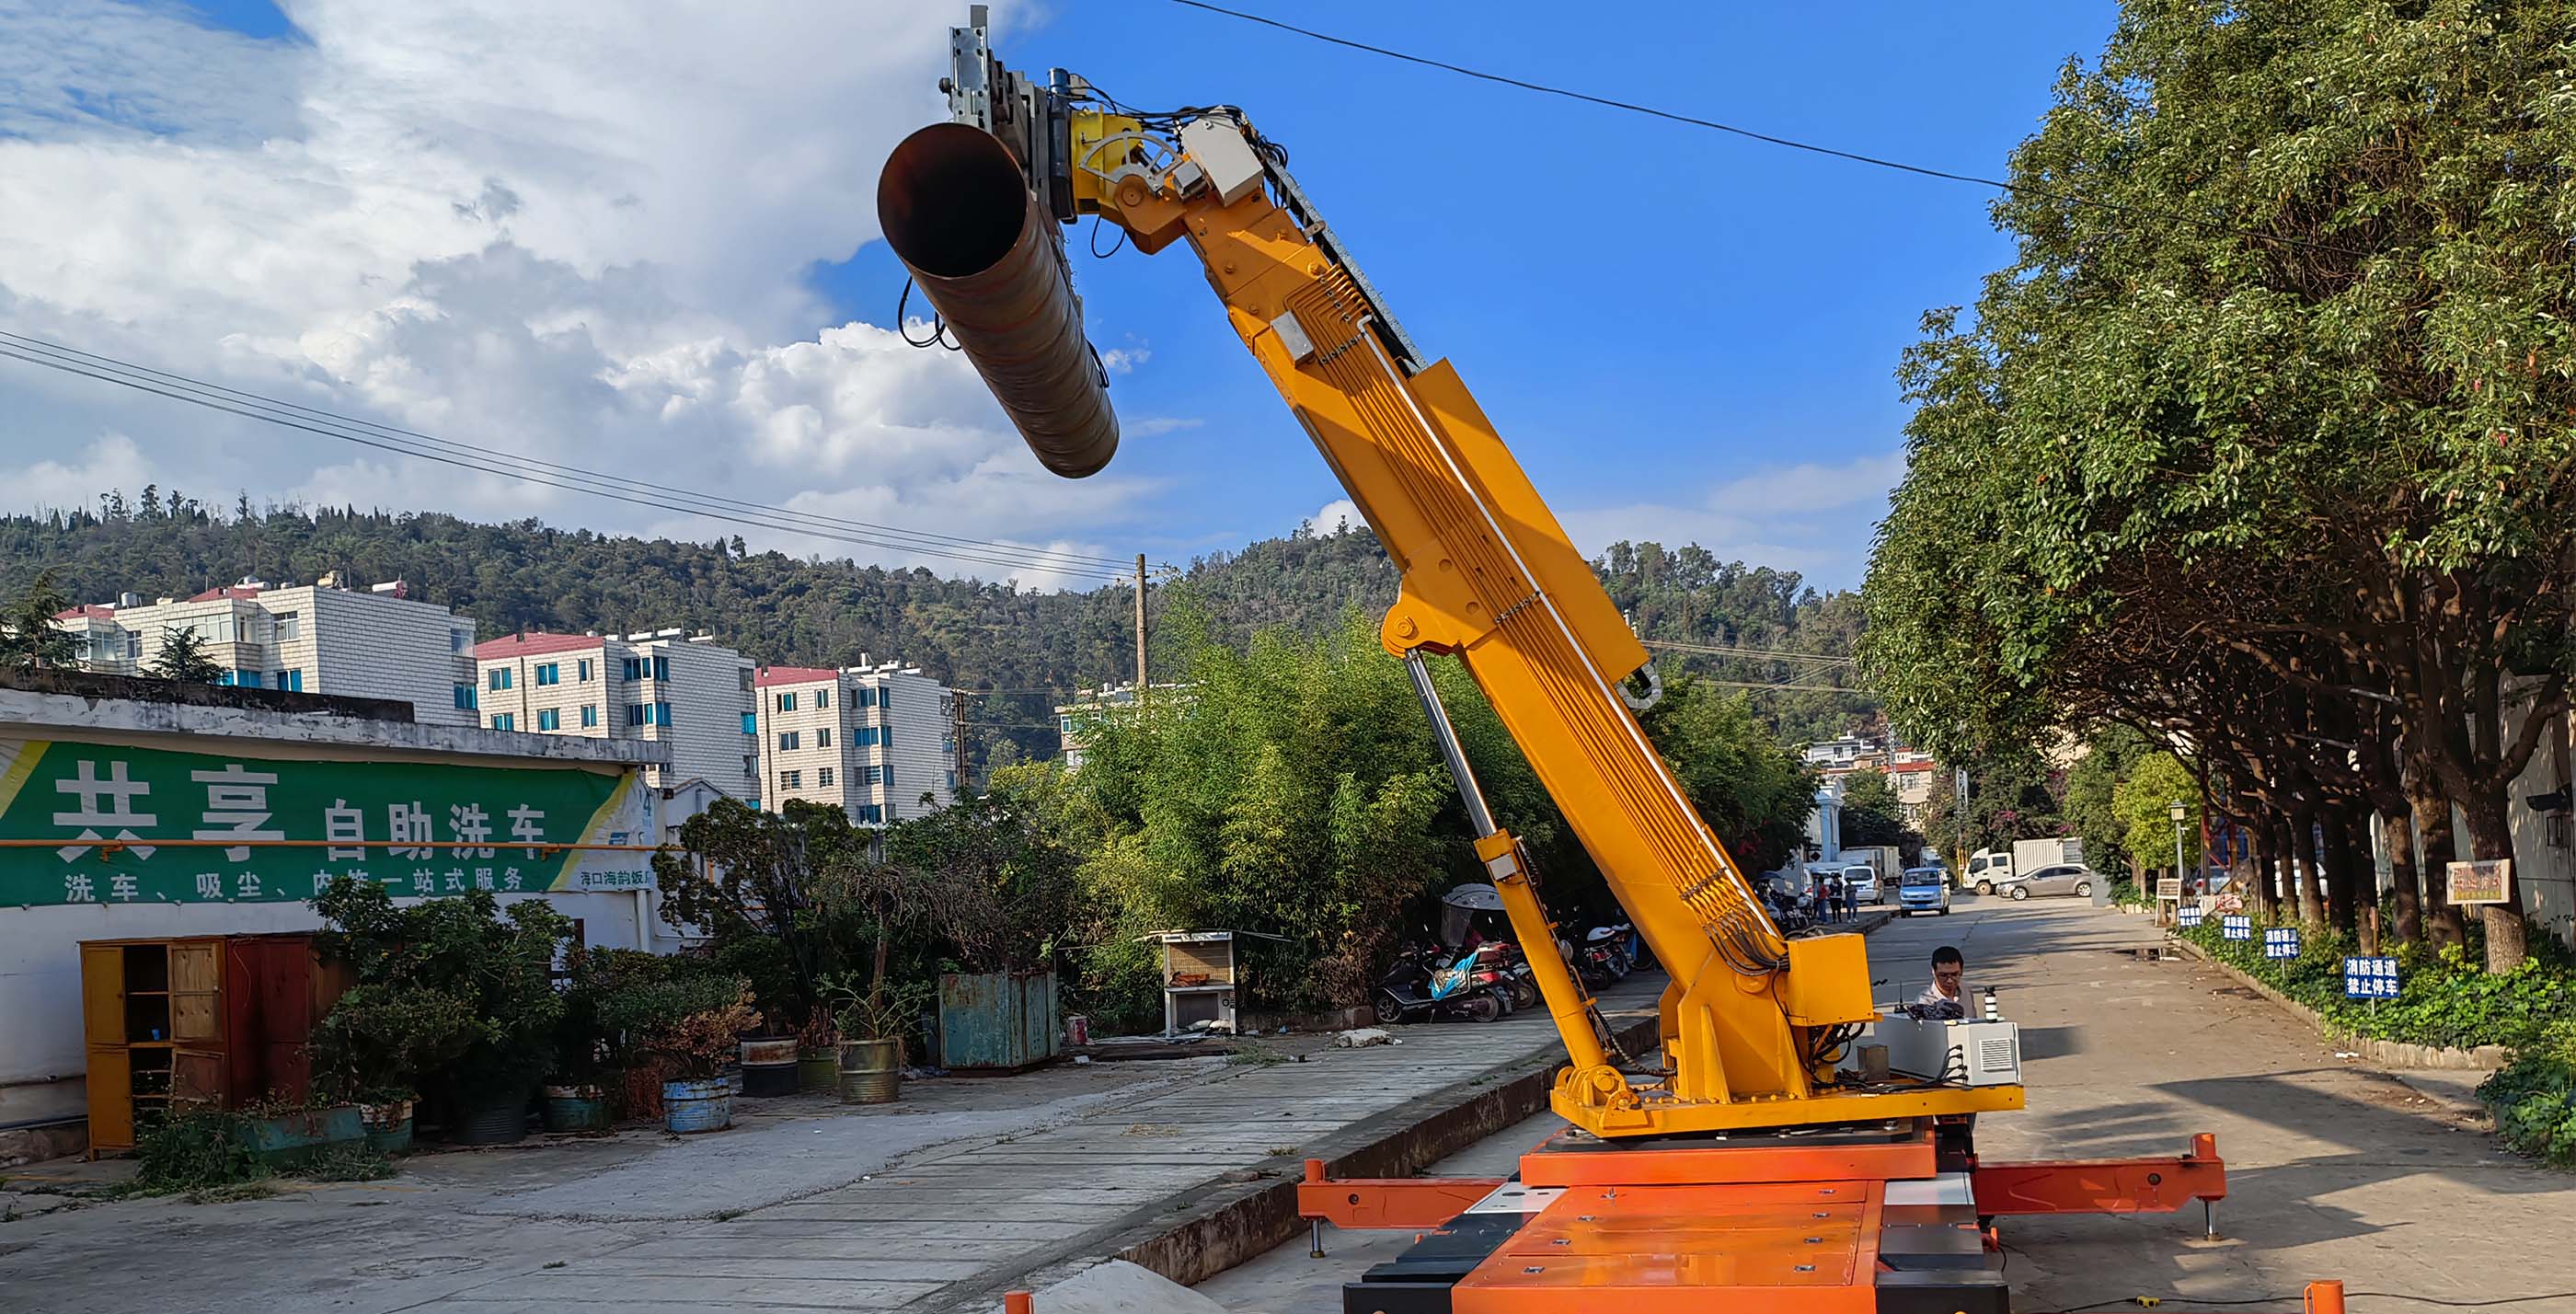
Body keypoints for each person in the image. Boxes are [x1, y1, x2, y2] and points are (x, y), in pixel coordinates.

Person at [1915, 945, 1966, 1019]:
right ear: (1933, 972)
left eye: (1954, 974)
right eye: (1943, 975)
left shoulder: (1966, 991)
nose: (1949, 980)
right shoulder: (1925, 1003)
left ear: (1961, 971)